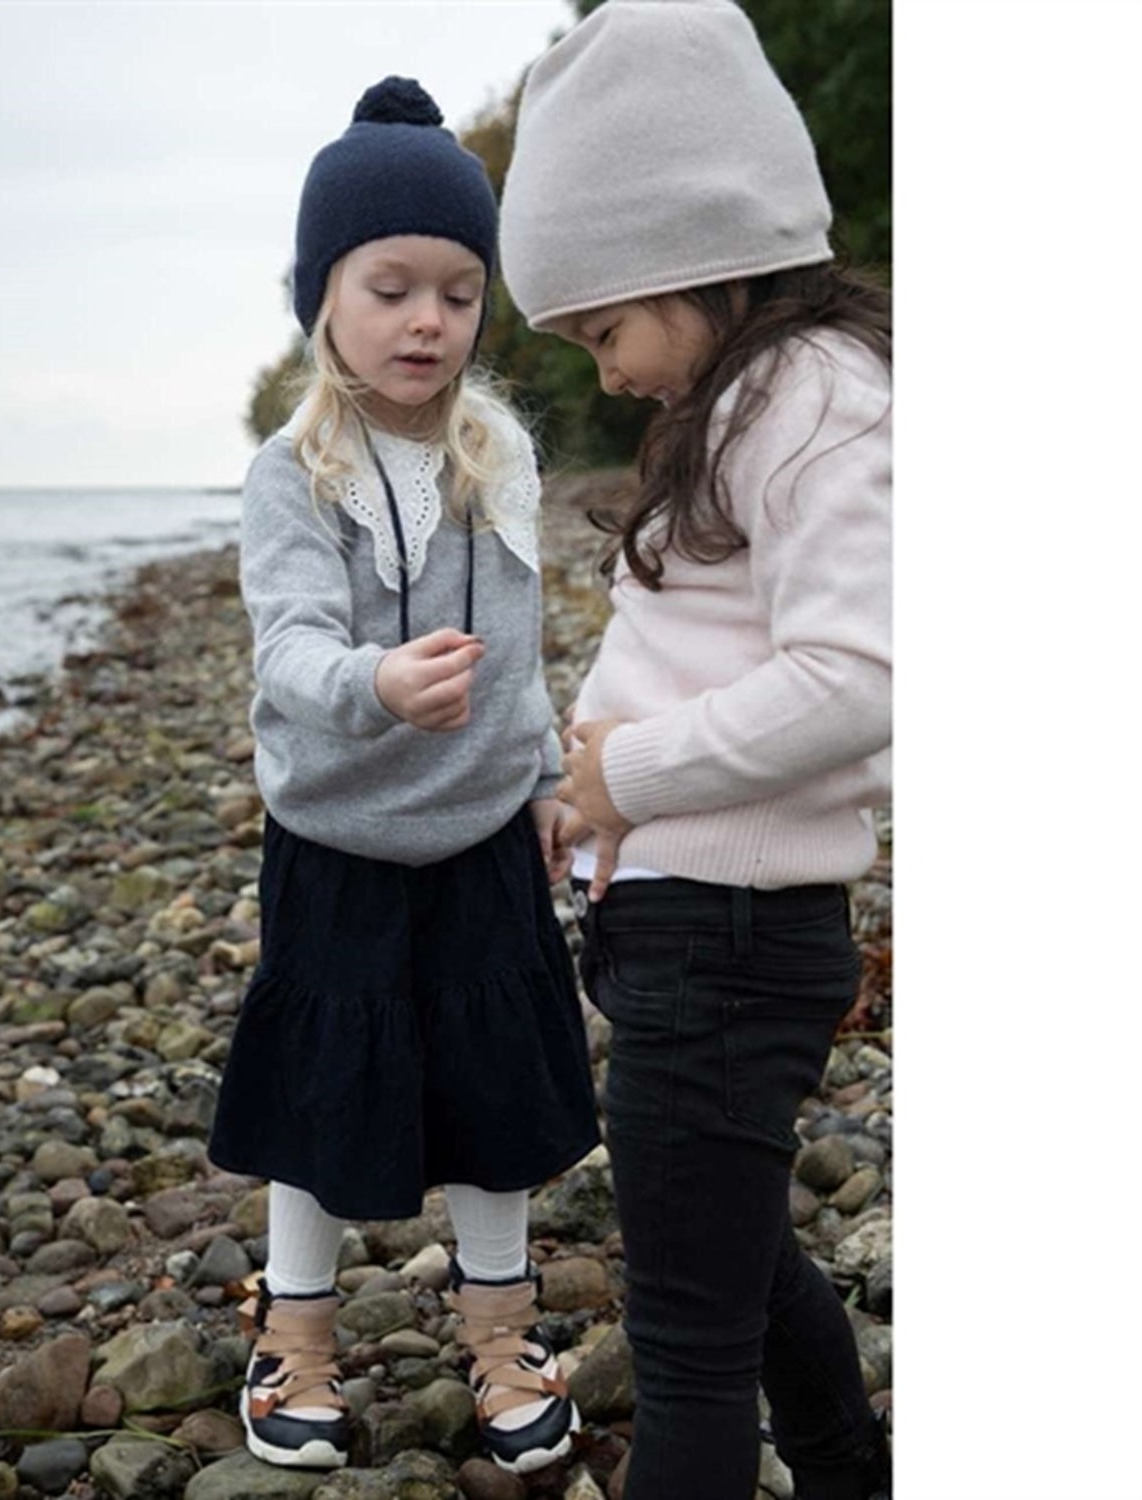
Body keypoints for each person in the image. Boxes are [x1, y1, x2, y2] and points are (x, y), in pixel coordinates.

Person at [498, 3, 893, 1498]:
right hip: (688, 929)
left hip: (728, 944)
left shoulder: (818, 398)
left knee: (683, 1335)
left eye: (604, 331)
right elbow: (702, 650)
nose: (603, 374)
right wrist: (586, 803)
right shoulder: (756, 399)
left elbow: (858, 679)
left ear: (698, 250)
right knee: (735, 1258)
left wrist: (631, 776)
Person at [207, 76, 600, 1476]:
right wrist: (373, 684)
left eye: (458, 291)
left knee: (495, 1090)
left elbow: (528, 646)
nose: (427, 319)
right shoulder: (293, 470)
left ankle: (502, 1334)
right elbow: (288, 647)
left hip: (482, 832)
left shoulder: (501, 453)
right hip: (340, 838)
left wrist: (546, 774)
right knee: (325, 1092)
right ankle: (295, 1339)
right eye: (389, 289)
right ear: (323, 298)